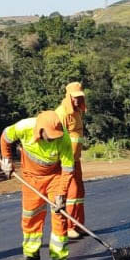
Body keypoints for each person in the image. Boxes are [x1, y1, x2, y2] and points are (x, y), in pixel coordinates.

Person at [0, 111, 75, 260]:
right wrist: (7, 160)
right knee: (30, 215)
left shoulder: (64, 138)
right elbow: (5, 137)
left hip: (55, 178)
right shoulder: (24, 127)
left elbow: (68, 169)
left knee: (59, 215)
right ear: (40, 130)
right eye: (50, 136)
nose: (54, 138)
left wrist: (61, 194)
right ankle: (31, 254)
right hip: (31, 178)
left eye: (57, 136)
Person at [54, 82, 87, 240]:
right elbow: (56, 136)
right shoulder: (62, 113)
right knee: (72, 193)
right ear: (68, 97)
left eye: (79, 97)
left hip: (76, 159)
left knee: (80, 192)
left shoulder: (78, 112)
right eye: (75, 97)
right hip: (66, 160)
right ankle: (69, 226)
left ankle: (79, 224)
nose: (77, 100)